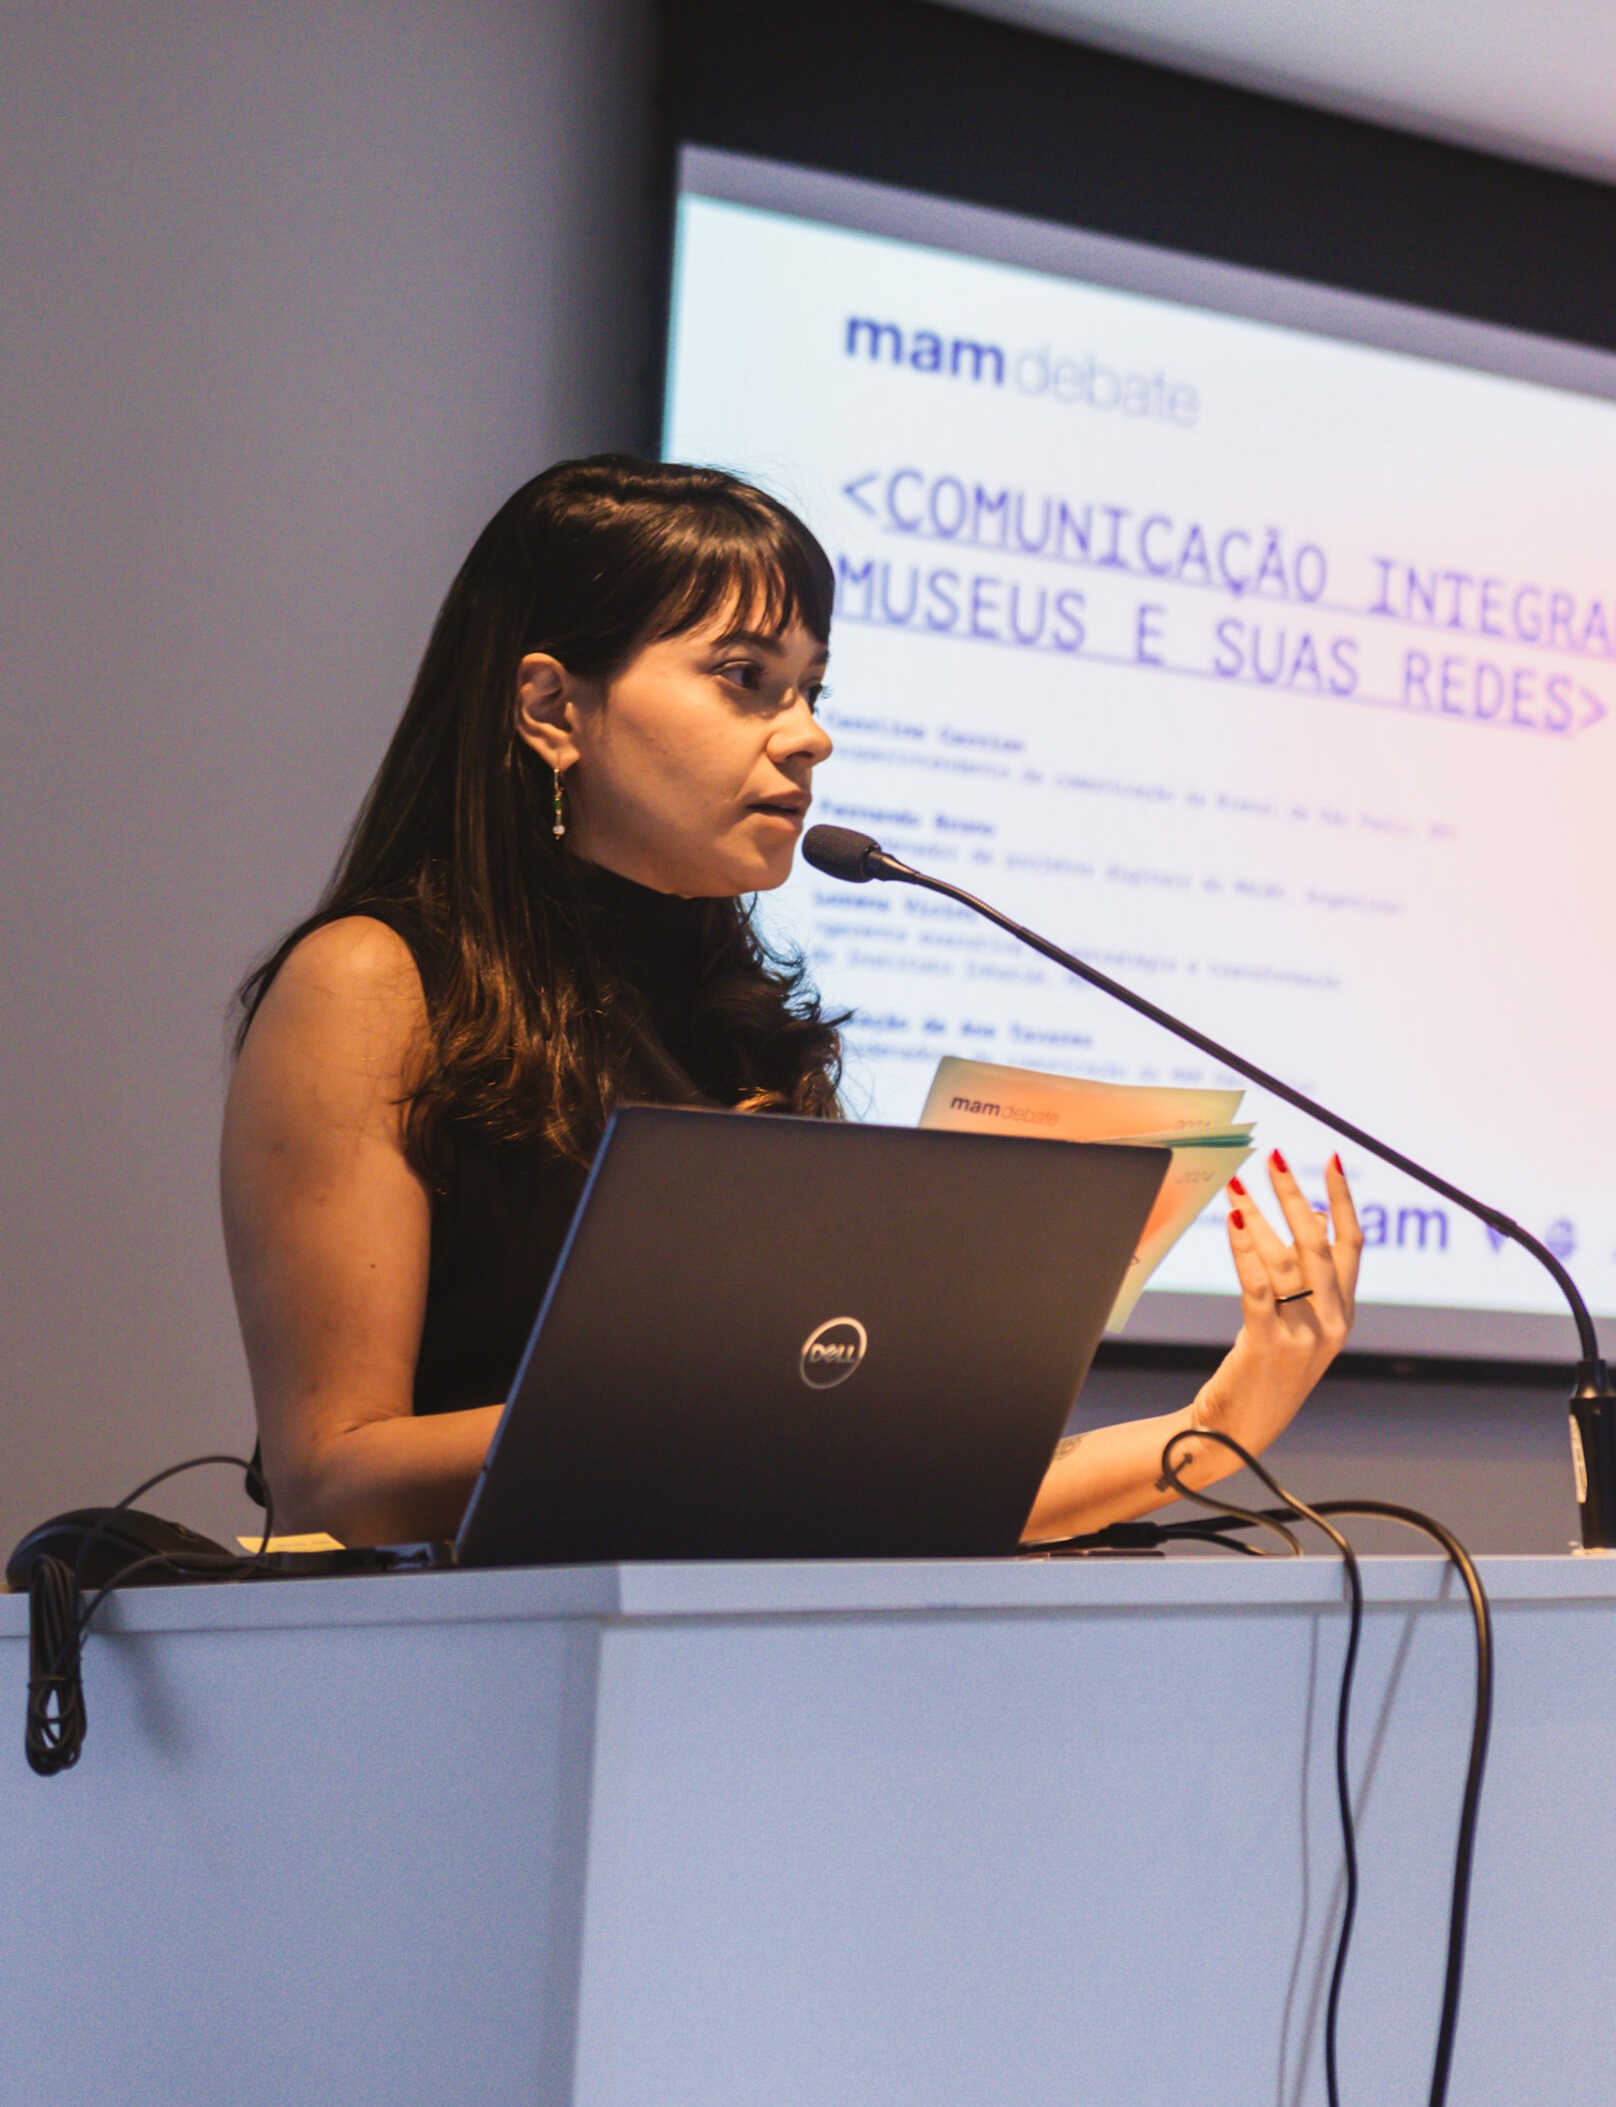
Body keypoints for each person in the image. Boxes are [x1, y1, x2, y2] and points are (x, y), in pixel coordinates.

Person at [222, 455, 1363, 1547]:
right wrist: (710, 1413)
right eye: (745, 679)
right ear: (553, 708)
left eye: (811, 688)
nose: (811, 733)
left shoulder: (739, 1026)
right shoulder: (375, 982)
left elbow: (894, 1475)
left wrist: (1223, 1417)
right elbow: (335, 1474)